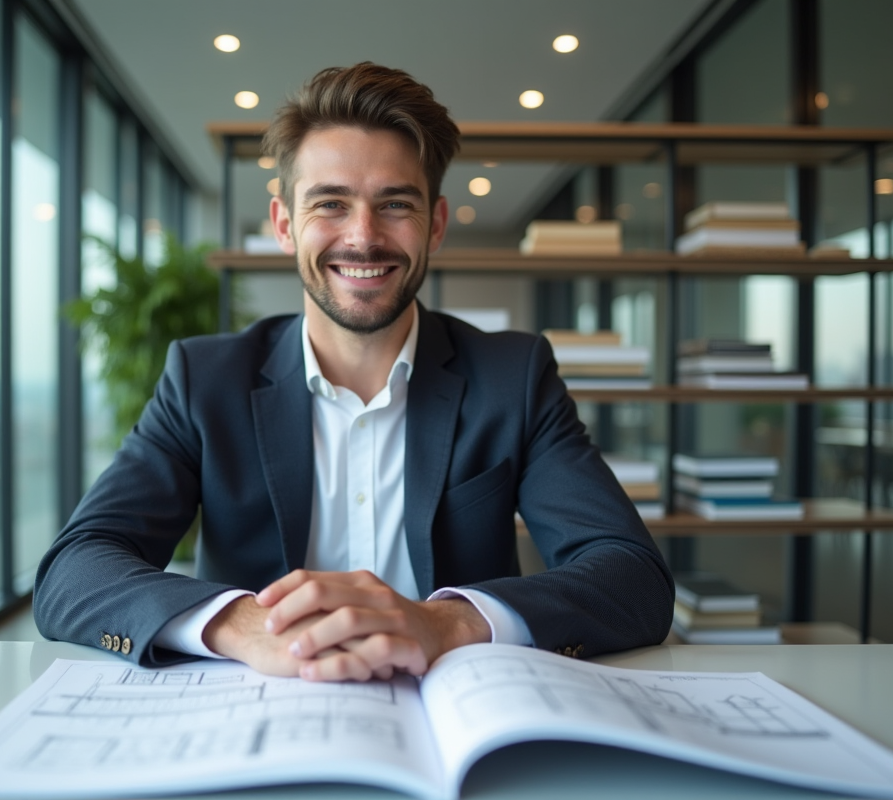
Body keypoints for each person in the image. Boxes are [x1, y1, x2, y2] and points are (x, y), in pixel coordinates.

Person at [33, 62, 673, 682]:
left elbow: (633, 578)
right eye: (330, 204)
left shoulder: (514, 376)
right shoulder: (204, 379)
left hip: (455, 710)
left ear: (435, 226)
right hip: (261, 706)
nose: (363, 237)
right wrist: (245, 626)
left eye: (395, 204)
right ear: (285, 224)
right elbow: (73, 571)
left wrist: (444, 623)